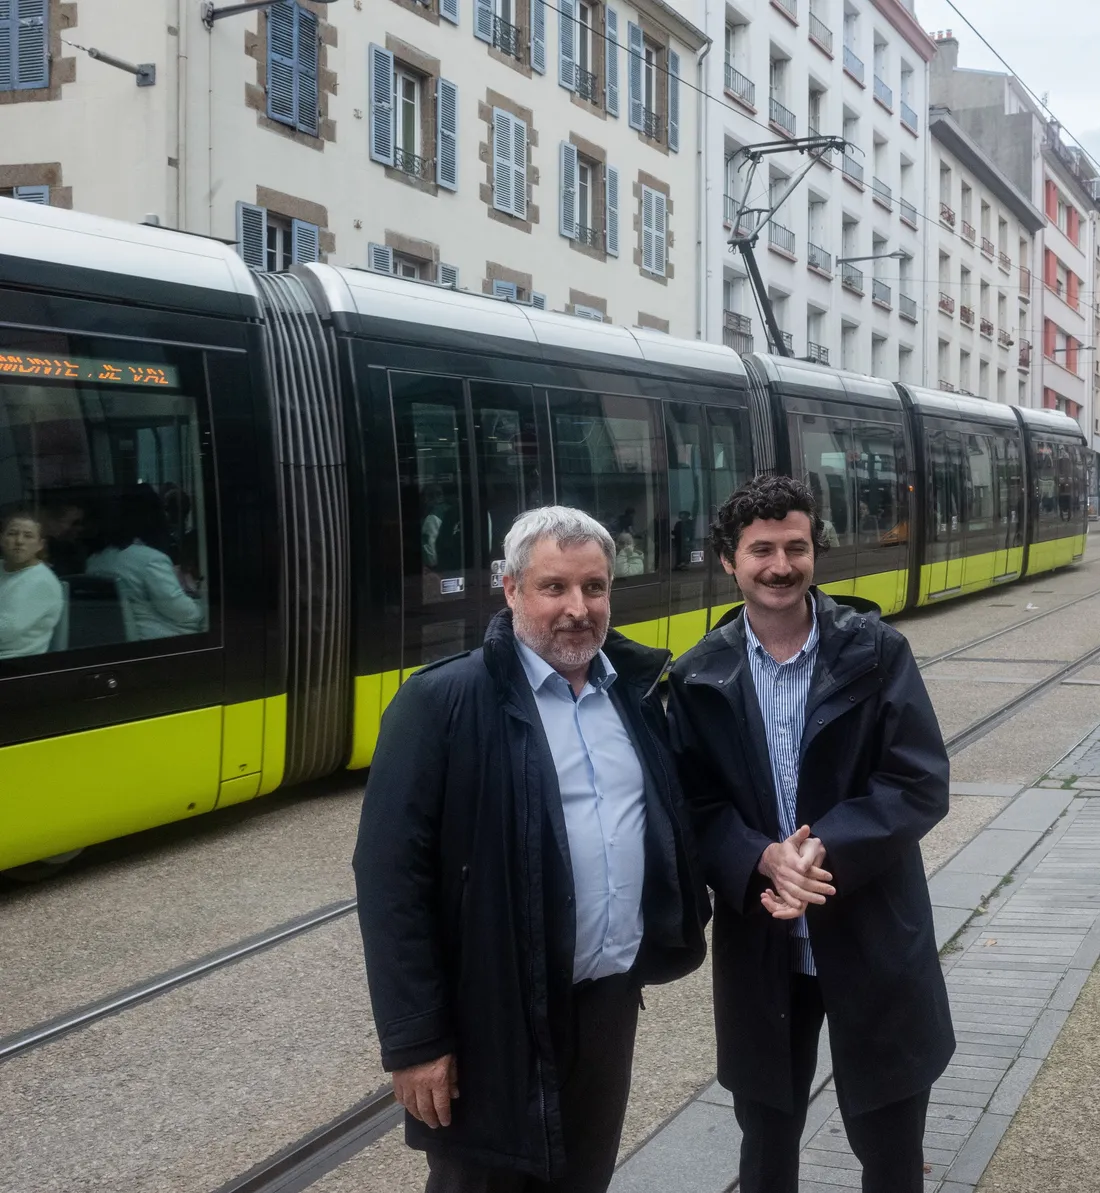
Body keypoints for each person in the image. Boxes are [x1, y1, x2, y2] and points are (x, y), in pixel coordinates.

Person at [354, 505, 709, 1193]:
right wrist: (415, 1040)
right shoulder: (442, 703)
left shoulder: (635, 694)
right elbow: (390, 879)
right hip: (494, 1012)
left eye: (595, 587)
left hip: (606, 1003)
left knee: (582, 1179)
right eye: (554, 587)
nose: (578, 608)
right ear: (511, 589)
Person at [667, 474, 954, 1193]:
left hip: (871, 934)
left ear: (814, 552)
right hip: (763, 945)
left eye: (796, 546)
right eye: (761, 548)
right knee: (765, 1147)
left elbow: (919, 780)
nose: (780, 564)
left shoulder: (875, 650)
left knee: (890, 1146)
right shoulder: (700, 676)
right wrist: (760, 856)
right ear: (729, 560)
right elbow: (692, 805)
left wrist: (825, 845)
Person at [90, 486, 204, 640]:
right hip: (159, 639)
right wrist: (203, 607)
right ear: (153, 517)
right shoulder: (150, 560)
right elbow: (180, 610)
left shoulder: (95, 561)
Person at [0, 511, 65, 658]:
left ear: (39, 545)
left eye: (28, 536)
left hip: (14, 664)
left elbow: (5, 630)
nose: (19, 541)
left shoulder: (41, 580)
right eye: (12, 534)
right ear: (1, 539)